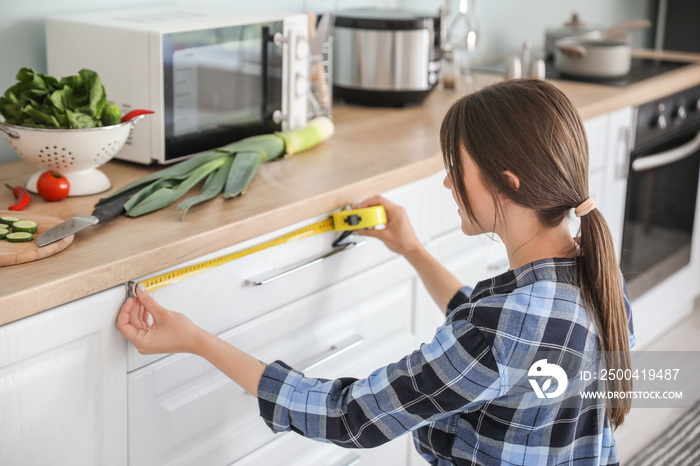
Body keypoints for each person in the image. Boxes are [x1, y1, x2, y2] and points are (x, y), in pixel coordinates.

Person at [116, 78, 635, 465]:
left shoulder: (501, 329)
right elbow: (495, 346)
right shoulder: (593, 270)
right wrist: (413, 249)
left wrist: (195, 340)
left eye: (458, 169)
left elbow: (349, 417)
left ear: (508, 183)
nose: (448, 184)